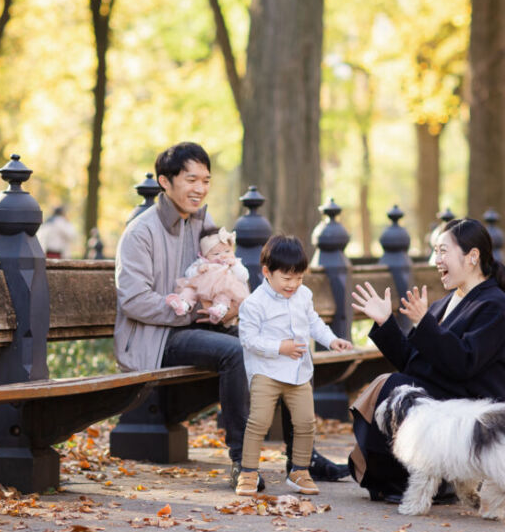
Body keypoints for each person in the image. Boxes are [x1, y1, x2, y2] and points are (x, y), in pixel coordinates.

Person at [113, 142, 348, 489]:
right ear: (165, 181)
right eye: (191, 179)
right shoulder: (140, 232)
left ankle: (302, 456)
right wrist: (192, 311)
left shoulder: (201, 224)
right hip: (156, 336)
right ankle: (243, 462)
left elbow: (225, 274)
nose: (199, 189)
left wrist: (235, 307)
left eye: (205, 180)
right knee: (236, 353)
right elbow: (134, 301)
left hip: (198, 326)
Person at [347, 218, 505, 503]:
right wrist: (385, 322)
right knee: (392, 384)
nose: (435, 260)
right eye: (434, 252)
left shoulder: (494, 305)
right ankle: (411, 479)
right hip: (448, 389)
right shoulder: (447, 302)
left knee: (393, 387)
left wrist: (425, 324)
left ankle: (422, 482)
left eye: (442, 251)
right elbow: (412, 363)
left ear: (472, 256)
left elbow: (464, 363)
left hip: (475, 399)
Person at [235, 236, 353, 496]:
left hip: (299, 373)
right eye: (286, 279)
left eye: (298, 278)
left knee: (305, 422)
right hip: (266, 372)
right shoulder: (254, 304)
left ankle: (300, 471)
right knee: (259, 422)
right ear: (267, 272)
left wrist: (332, 340)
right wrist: (280, 347)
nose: (293, 285)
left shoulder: (303, 295)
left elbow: (313, 322)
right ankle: (248, 473)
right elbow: (248, 339)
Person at [167, 226, 250, 326]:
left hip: (224, 288)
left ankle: (219, 310)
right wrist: (198, 269)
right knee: (189, 290)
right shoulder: (203, 262)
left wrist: (234, 265)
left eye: (227, 251)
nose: (223, 255)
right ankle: (183, 304)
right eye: (216, 253)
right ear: (205, 255)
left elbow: (244, 276)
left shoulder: (234, 263)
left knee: (224, 295)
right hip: (200, 288)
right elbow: (188, 274)